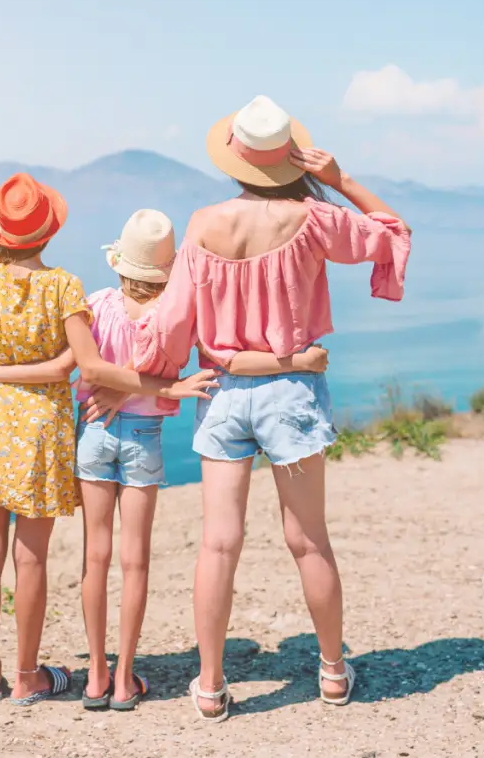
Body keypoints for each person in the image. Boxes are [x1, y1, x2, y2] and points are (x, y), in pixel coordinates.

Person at [0, 207, 330, 711]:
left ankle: (95, 677)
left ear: (120, 264)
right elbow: (216, 357)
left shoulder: (94, 304)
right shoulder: (177, 316)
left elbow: (82, 366)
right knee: (135, 561)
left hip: (93, 431)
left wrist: (5, 373)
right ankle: (124, 681)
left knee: (95, 557)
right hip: (145, 437)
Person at [130, 95, 413, 721]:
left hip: (224, 393)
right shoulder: (315, 217)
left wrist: (157, 372)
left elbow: (173, 322)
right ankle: (334, 674)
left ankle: (209, 686)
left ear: (234, 160)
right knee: (309, 541)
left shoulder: (203, 223)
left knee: (218, 544)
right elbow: (392, 234)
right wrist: (341, 181)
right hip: (292, 392)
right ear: (290, 160)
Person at [0, 175, 217, 707]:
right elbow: (76, 365)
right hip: (41, 425)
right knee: (32, 560)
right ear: (48, 233)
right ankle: (27, 676)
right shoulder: (65, 287)